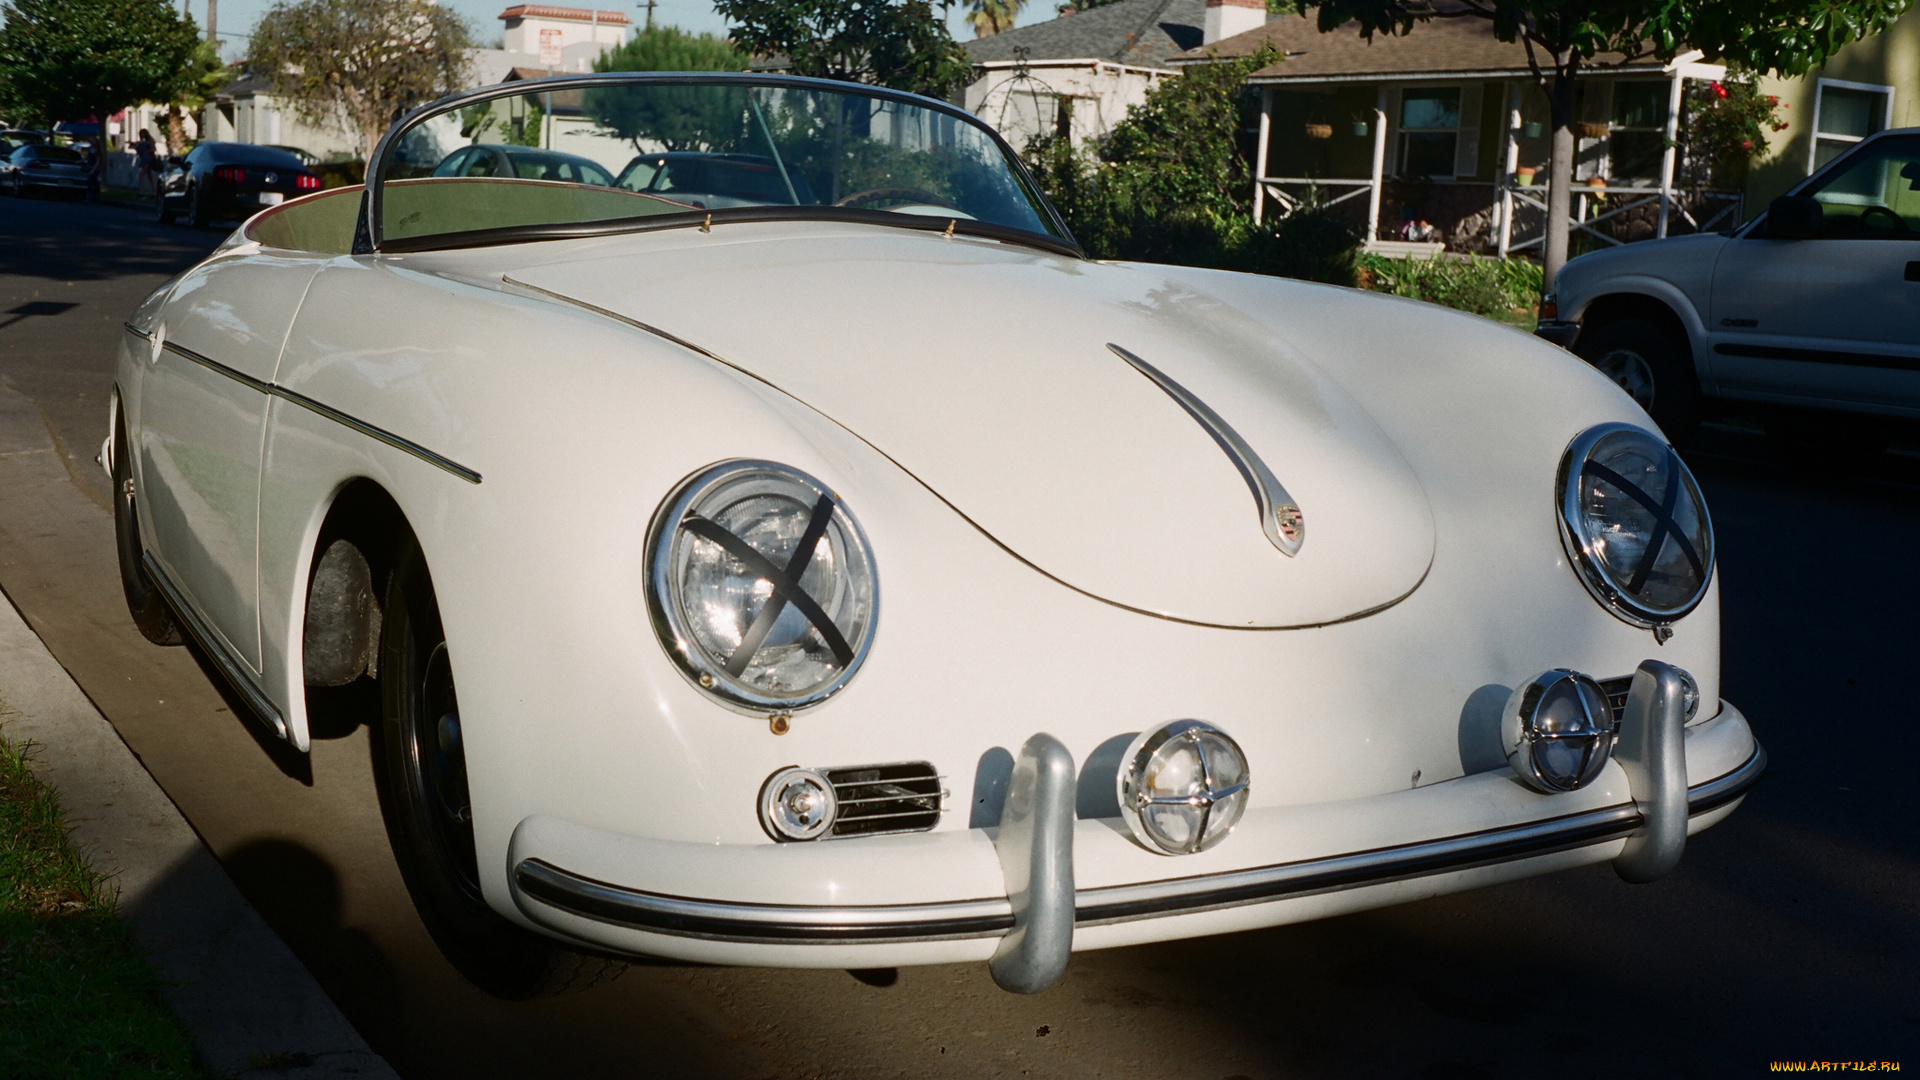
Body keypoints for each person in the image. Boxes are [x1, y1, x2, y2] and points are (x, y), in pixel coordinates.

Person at [133, 128, 158, 199]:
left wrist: (148, 150)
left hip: (149, 160)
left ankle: (142, 193)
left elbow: (153, 149)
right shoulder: (143, 141)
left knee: (141, 175)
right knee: (150, 177)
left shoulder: (150, 140)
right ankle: (154, 193)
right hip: (145, 160)